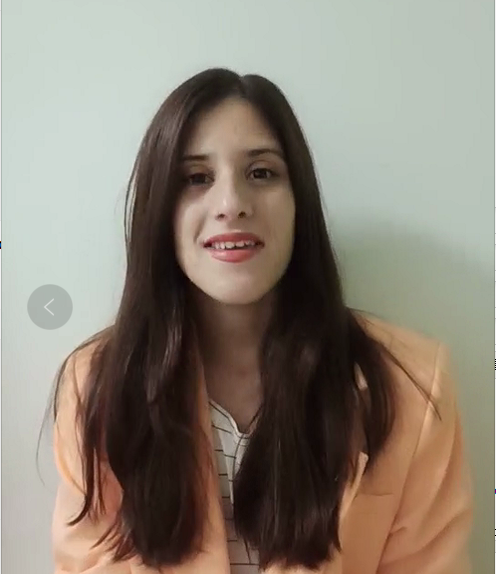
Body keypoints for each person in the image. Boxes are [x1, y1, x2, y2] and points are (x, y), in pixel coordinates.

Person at [50, 68, 473, 574]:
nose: (231, 204)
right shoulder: (97, 386)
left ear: (299, 202)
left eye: (262, 173)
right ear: (159, 211)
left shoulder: (411, 388)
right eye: (196, 178)